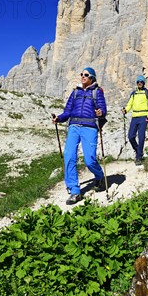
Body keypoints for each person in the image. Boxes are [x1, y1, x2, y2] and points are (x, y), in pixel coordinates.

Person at [52, 67, 107, 205]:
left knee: (90, 160)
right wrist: (59, 118)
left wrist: (100, 112)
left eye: (86, 75)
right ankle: (75, 191)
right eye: (81, 74)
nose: (83, 76)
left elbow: (103, 109)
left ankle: (99, 176)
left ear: (92, 78)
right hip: (74, 127)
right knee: (69, 156)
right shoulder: (75, 92)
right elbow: (68, 111)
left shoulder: (97, 92)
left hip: (90, 127)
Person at [122, 75, 148, 165]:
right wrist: (126, 110)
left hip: (143, 117)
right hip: (134, 117)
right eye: (138, 82)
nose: (139, 83)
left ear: (143, 83)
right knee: (131, 136)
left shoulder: (147, 93)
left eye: (141, 82)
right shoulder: (133, 93)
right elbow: (129, 104)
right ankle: (139, 151)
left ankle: (138, 157)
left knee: (141, 137)